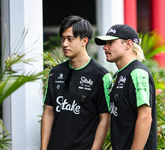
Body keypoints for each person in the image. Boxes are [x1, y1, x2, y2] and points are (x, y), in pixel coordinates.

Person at [41, 15, 112, 150]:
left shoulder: (101, 76)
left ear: (84, 41)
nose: (64, 44)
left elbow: (105, 118)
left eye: (70, 39)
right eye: (62, 39)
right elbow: (49, 112)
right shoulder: (55, 72)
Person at [95, 24, 157, 150]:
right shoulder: (120, 74)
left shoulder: (137, 73)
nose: (104, 47)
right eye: (105, 43)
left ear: (128, 44)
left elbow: (145, 117)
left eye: (110, 42)